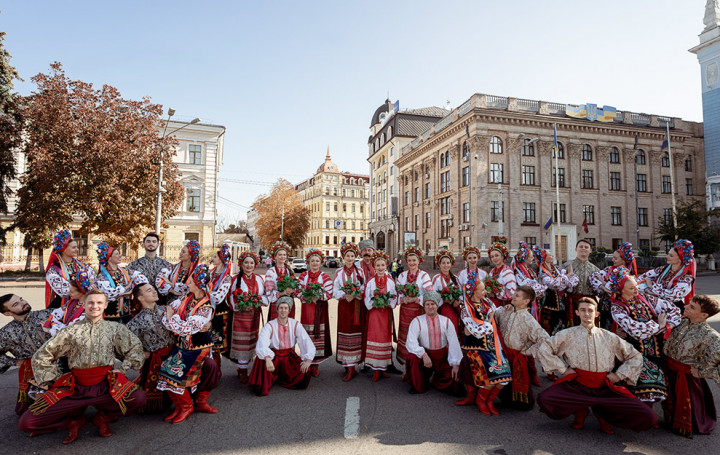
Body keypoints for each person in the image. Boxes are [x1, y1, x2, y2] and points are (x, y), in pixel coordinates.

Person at [18, 290, 146, 444]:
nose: (94, 306)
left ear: (106, 305)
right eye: (90, 302)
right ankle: (74, 421)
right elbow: (42, 355)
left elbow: (135, 349)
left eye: (99, 303)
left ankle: (102, 418)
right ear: (84, 304)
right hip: (75, 388)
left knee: (138, 398)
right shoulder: (71, 330)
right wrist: (56, 378)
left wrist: (124, 368)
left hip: (105, 386)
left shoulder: (115, 329)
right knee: (27, 423)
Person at [535, 297, 657, 434]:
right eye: (583, 310)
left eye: (590, 311)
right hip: (577, 386)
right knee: (544, 399)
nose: (587, 314)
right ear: (577, 313)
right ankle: (580, 411)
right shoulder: (567, 334)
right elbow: (544, 349)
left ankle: (603, 414)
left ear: (596, 314)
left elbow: (635, 356)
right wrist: (563, 369)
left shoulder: (609, 336)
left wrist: (618, 376)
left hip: (604, 387)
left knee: (649, 416)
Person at [607, 267, 680, 405]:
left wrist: (667, 325)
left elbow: (674, 309)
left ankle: (650, 414)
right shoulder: (617, 307)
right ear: (621, 290)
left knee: (659, 382)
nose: (636, 290)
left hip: (655, 348)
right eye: (631, 288)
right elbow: (636, 330)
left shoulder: (646, 298)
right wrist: (658, 325)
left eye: (636, 286)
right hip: (634, 351)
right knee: (638, 384)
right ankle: (640, 415)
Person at [157, 265, 220, 424]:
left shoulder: (206, 307)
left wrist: (173, 319)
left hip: (197, 348)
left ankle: (187, 407)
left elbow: (186, 328)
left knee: (174, 374)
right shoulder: (187, 297)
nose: (188, 283)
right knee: (165, 372)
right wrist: (174, 320)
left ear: (198, 285)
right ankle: (180, 406)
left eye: (191, 281)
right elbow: (167, 313)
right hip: (183, 345)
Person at [663, 294, 720, 436]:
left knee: (692, 412)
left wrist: (702, 373)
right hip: (668, 369)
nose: (685, 306)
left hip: (687, 378)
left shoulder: (711, 336)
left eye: (692, 307)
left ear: (704, 315)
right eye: (688, 304)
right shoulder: (681, 323)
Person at [456, 272, 512, 415]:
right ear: (474, 292)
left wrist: (503, 309)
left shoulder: (487, 302)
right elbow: (476, 331)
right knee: (491, 376)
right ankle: (481, 401)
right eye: (481, 290)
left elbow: (496, 313)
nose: (485, 292)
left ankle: (489, 401)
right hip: (477, 347)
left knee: (504, 377)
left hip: (493, 345)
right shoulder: (466, 310)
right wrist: (489, 320)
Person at [494, 285, 550, 410]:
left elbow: (545, 339)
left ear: (526, 301)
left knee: (522, 402)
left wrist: (529, 351)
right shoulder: (506, 311)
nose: (513, 296)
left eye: (517, 296)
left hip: (516, 357)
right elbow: (493, 314)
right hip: (503, 356)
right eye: (514, 293)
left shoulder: (528, 319)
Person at [249, 296, 315, 396]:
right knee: (261, 360)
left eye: (285, 308)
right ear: (277, 310)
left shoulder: (295, 324)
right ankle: (271, 377)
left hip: (289, 357)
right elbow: (262, 342)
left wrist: (308, 360)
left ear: (289, 310)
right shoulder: (270, 325)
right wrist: (267, 358)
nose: (283, 311)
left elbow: (305, 340)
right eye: (281, 308)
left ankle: (281, 377)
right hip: (274, 357)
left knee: (306, 371)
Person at [126, 283, 176, 413]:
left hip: (176, 355)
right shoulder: (136, 321)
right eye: (149, 290)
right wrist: (141, 353)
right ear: (141, 298)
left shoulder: (168, 310)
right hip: (155, 360)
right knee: (156, 405)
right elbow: (123, 345)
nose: (154, 291)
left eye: (154, 289)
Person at [0, 294, 52, 416]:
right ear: (8, 313)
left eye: (21, 299)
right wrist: (15, 362)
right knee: (26, 412)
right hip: (33, 372)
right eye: (15, 304)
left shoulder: (49, 314)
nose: (23, 303)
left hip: (60, 365)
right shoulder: (6, 332)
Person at [404, 291, 463, 395]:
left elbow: (454, 343)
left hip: (442, 358)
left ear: (437, 305)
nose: (430, 307)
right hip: (425, 359)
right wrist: (423, 354)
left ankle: (437, 379)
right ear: (424, 306)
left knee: (456, 387)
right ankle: (420, 382)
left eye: (433, 304)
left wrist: (455, 365)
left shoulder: (447, 321)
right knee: (412, 357)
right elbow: (411, 342)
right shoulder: (417, 321)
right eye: (427, 304)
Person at [228, 251, 268, 383]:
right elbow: (231, 296)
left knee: (251, 342)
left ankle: (244, 367)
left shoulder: (258, 279)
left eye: (251, 263)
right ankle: (243, 370)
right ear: (241, 264)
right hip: (240, 317)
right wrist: (240, 306)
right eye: (246, 262)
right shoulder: (236, 279)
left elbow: (265, 296)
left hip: (254, 316)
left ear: (255, 264)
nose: (249, 265)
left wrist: (257, 301)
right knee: (242, 343)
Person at [362, 251, 398, 381]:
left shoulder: (391, 281)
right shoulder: (370, 281)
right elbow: (366, 297)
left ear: (386, 265)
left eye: (383, 265)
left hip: (385, 314)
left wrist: (388, 303)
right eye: (378, 265)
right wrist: (374, 303)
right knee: (375, 338)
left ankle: (383, 368)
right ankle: (375, 369)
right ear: (374, 267)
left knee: (385, 339)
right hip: (374, 314)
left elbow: (394, 296)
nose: (381, 267)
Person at [332, 242, 366, 381]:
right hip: (344, 306)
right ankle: (347, 365)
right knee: (345, 331)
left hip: (356, 305)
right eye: (347, 256)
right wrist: (344, 295)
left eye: (352, 256)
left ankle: (353, 366)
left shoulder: (360, 271)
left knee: (355, 332)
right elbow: (335, 289)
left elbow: (364, 287)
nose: (350, 258)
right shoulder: (338, 272)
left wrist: (356, 293)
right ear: (343, 257)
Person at [298, 249, 333, 377]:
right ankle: (308, 362)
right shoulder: (303, 276)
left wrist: (318, 297)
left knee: (318, 335)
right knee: (307, 335)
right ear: (308, 262)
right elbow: (298, 290)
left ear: (321, 262)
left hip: (319, 309)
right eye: (312, 261)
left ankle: (316, 364)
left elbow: (329, 293)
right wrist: (305, 297)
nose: (314, 263)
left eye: (317, 261)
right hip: (307, 309)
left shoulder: (325, 277)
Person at [395, 246, 433, 367]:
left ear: (419, 261)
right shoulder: (402, 276)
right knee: (406, 337)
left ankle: (417, 368)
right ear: (406, 261)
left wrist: (416, 299)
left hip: (418, 312)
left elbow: (429, 294)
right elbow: (396, 293)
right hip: (405, 312)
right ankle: (407, 367)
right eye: (409, 260)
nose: (412, 263)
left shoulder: (424, 275)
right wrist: (403, 298)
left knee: (418, 337)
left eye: (414, 260)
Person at [95, 241, 148, 323]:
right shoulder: (102, 277)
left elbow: (142, 279)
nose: (120, 256)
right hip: (110, 316)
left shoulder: (125, 271)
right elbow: (109, 294)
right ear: (109, 258)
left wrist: (133, 289)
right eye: (117, 254)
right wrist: (126, 289)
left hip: (127, 314)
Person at [590, 242, 637, 331]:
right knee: (605, 329)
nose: (613, 260)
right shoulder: (609, 269)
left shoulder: (627, 274)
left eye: (615, 258)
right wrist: (603, 287)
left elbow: (612, 288)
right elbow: (593, 277)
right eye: (613, 257)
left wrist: (603, 282)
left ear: (623, 260)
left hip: (619, 307)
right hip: (605, 307)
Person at [638, 239, 696, 312]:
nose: (667, 256)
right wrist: (650, 290)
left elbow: (673, 296)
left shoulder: (686, 278)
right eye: (668, 254)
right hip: (654, 303)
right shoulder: (662, 269)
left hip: (672, 309)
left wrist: (651, 286)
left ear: (680, 259)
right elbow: (642, 278)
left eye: (671, 255)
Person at [45, 229, 96, 309]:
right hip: (63, 307)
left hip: (84, 305)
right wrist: (85, 288)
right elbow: (64, 291)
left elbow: (93, 280)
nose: (77, 250)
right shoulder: (54, 270)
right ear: (64, 249)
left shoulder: (82, 265)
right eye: (73, 247)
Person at [534, 246, 578, 336]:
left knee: (562, 322)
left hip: (561, 302)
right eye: (550, 255)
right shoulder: (542, 271)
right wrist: (567, 275)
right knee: (551, 324)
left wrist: (566, 278)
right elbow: (554, 284)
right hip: (550, 303)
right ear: (544, 257)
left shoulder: (555, 268)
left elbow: (570, 279)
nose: (552, 256)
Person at [43, 269, 93, 336]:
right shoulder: (72, 302)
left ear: (82, 293)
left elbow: (72, 329)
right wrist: (54, 324)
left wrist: (51, 329)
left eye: (71, 292)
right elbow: (56, 314)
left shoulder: (89, 309)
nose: (68, 293)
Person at [208, 243, 233, 369]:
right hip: (207, 312)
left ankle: (216, 371)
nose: (213, 259)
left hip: (219, 314)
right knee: (206, 343)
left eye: (215, 257)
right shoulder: (210, 273)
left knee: (217, 344)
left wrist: (205, 294)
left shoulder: (227, 278)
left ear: (222, 259)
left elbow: (218, 297)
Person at [565, 239, 600, 327]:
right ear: (576, 249)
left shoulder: (595, 269)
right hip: (572, 302)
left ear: (590, 250)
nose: (583, 249)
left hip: (590, 303)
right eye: (581, 247)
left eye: (586, 247)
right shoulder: (567, 266)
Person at [156, 240, 201, 306]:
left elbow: (190, 288)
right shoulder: (172, 268)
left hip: (186, 305)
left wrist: (170, 283)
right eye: (181, 251)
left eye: (183, 252)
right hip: (170, 305)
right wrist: (172, 291)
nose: (180, 253)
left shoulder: (196, 272)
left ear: (190, 256)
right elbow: (159, 280)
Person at [512, 241, 546, 322]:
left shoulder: (529, 270)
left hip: (533, 301)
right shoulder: (518, 271)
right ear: (525, 258)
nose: (533, 258)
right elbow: (525, 285)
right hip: (525, 302)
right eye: (531, 257)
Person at [264, 241, 297, 321]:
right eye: (280, 255)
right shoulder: (271, 272)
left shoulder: (289, 270)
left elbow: (295, 287)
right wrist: (283, 292)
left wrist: (292, 290)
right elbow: (269, 294)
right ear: (275, 257)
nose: (282, 257)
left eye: (284, 255)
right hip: (276, 305)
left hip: (289, 304)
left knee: (288, 328)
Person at [432, 249, 462, 337]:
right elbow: (433, 296)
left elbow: (461, 294)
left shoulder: (455, 278)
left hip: (454, 309)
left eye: (448, 263)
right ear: (439, 265)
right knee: (443, 330)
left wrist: (458, 301)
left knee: (454, 328)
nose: (446, 265)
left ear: (451, 264)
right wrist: (444, 300)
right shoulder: (436, 278)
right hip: (441, 310)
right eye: (443, 263)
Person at [486, 242, 516, 308]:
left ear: (502, 256)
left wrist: (496, 293)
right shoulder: (492, 271)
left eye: (497, 255)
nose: (494, 258)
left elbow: (511, 292)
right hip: (493, 304)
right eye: (492, 257)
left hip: (504, 305)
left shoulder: (507, 271)